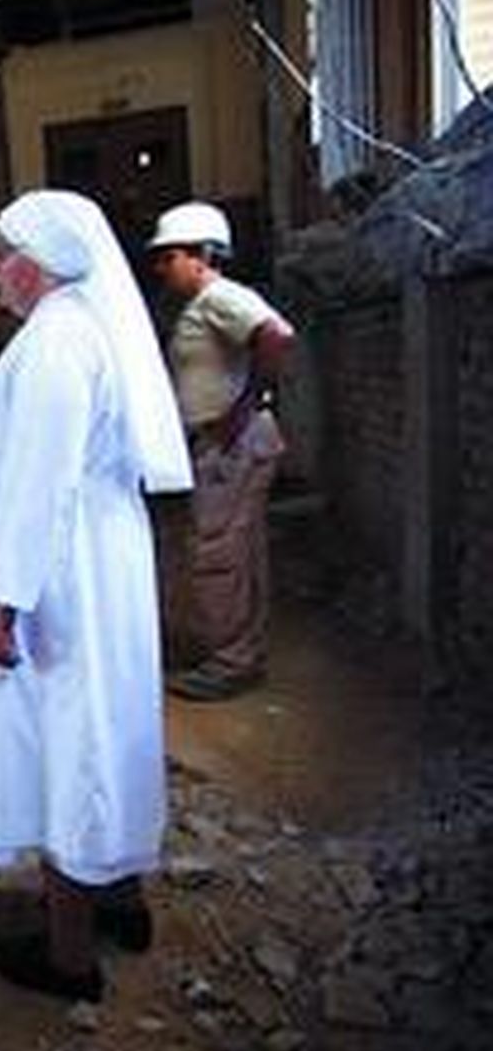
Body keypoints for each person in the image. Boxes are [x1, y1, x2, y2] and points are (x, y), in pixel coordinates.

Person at [0, 190, 192, 1002]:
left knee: (67, 737)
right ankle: (121, 900)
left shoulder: (56, 342)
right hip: (94, 560)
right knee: (105, 724)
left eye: (0, 252)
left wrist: (5, 600)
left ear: (39, 262)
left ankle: (69, 954)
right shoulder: (90, 326)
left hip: (61, 576)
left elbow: (40, 484)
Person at [148, 202, 296, 701]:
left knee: (220, 553)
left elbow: (276, 335)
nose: (162, 267)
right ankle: (230, 651)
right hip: (221, 444)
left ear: (202, 256)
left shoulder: (221, 297)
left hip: (233, 443)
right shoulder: (200, 306)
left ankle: (234, 662)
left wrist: (244, 407)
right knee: (231, 550)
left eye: (170, 257)